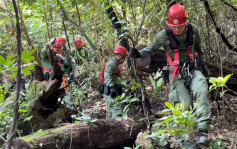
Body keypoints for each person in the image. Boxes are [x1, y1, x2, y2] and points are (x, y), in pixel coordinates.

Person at [129, 4, 211, 145]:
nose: (178, 29)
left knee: (202, 89)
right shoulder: (162, 36)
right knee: (185, 104)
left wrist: (202, 66)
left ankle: (203, 130)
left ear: (186, 22)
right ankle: (185, 137)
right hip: (175, 72)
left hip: (192, 69)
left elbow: (199, 49)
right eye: (174, 27)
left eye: (180, 26)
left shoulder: (193, 30)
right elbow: (151, 49)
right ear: (169, 25)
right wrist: (138, 54)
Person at [99, 46, 128, 118]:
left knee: (111, 110)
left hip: (112, 89)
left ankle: (110, 125)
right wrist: (112, 88)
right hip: (109, 90)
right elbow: (107, 75)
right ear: (119, 56)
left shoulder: (115, 64)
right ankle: (116, 125)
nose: (124, 60)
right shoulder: (111, 64)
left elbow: (115, 77)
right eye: (123, 58)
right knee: (116, 108)